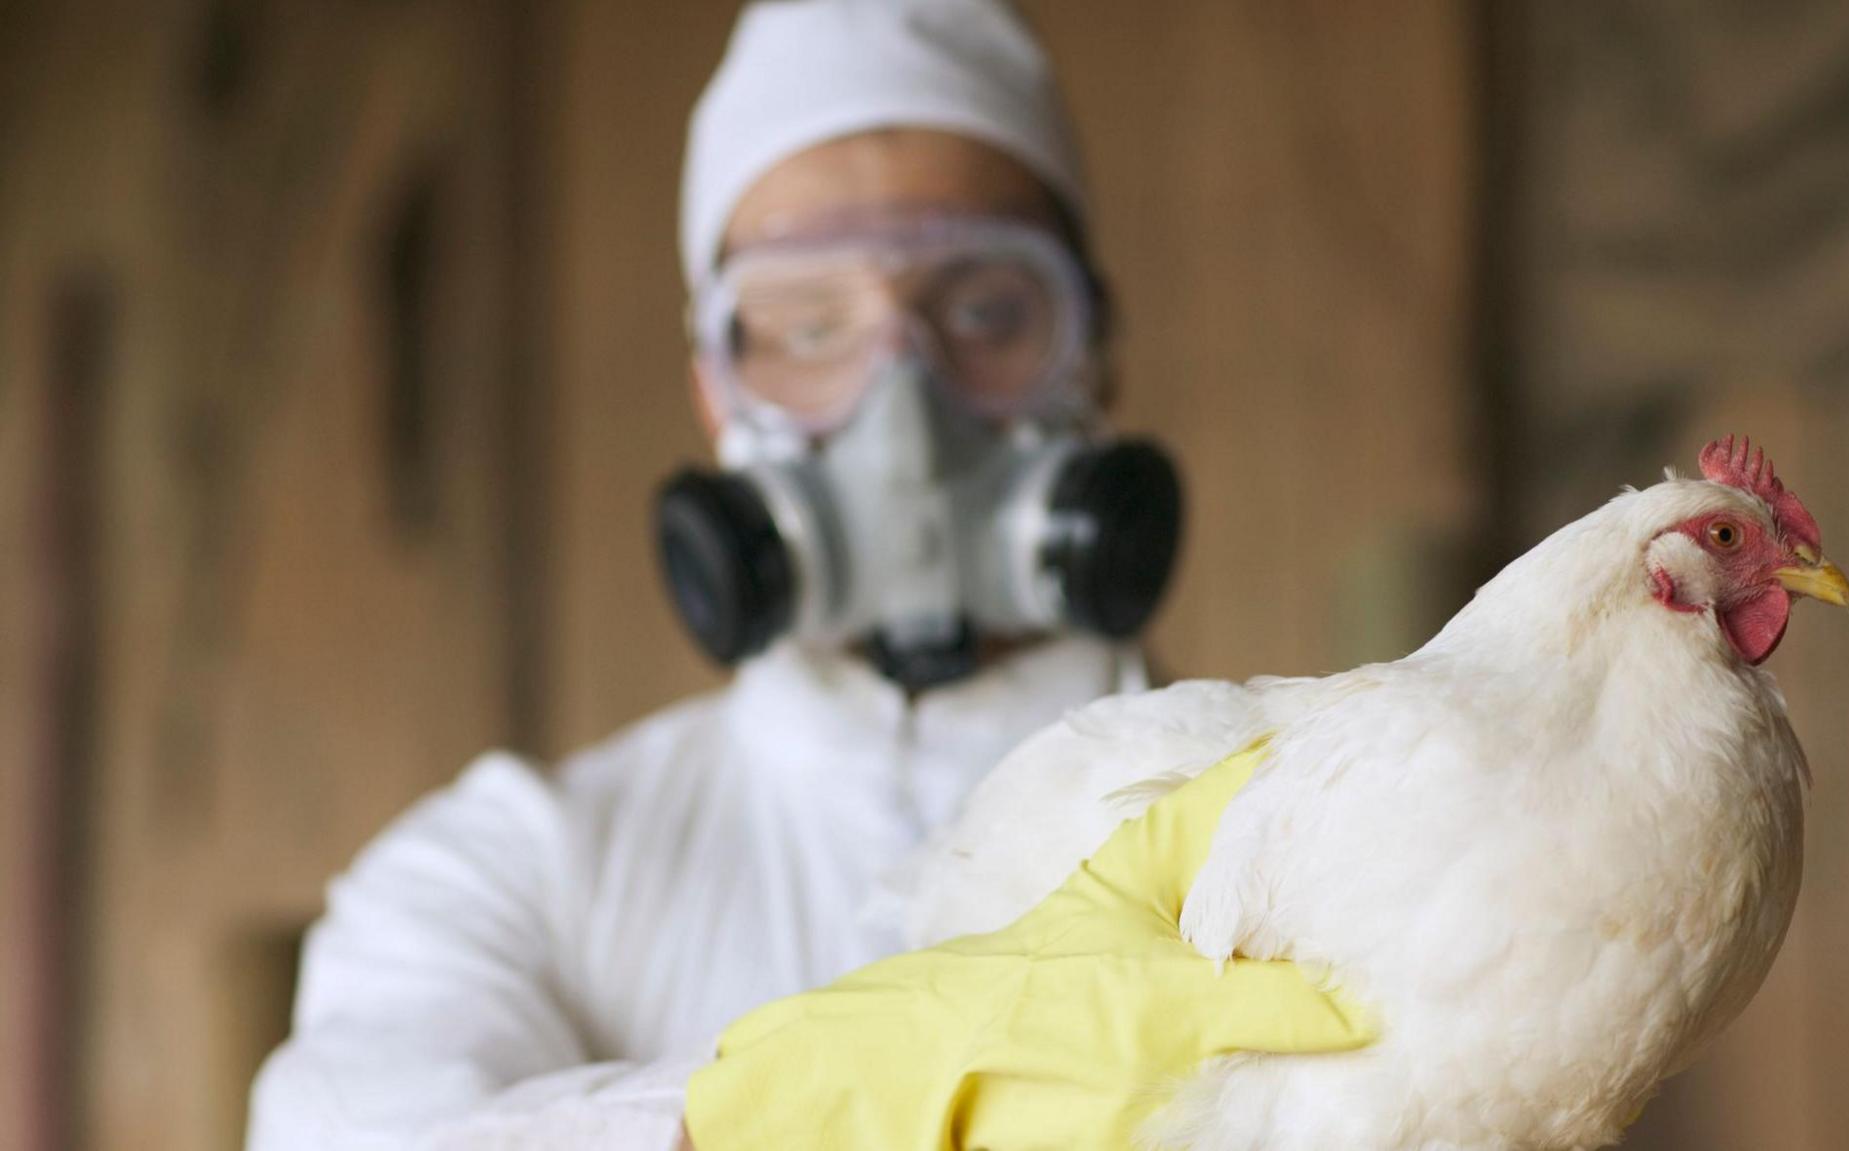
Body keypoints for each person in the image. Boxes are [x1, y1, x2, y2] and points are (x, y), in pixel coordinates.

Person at [246, 1, 1176, 1147]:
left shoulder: (1295, 837)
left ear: (1092, 348)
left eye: (986, 310)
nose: (901, 412)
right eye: (803, 324)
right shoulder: (509, 871)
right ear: (713, 387)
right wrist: (789, 1103)